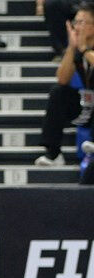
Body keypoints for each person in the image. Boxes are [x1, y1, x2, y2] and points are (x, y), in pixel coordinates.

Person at [35, 2, 94, 166]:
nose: (77, 26)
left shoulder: (85, 49)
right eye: (75, 22)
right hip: (85, 106)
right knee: (58, 92)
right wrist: (71, 48)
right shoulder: (78, 48)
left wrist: (84, 50)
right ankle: (53, 153)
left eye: (82, 22)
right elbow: (62, 79)